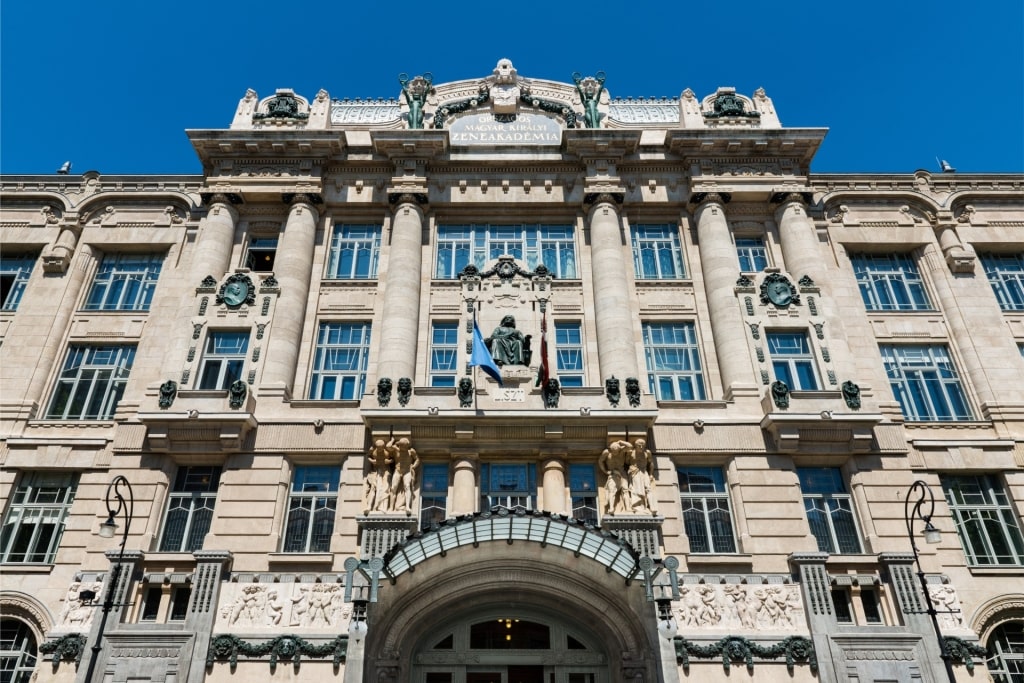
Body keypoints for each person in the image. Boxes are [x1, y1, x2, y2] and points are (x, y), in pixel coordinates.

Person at [599, 440, 631, 515]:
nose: (615, 453)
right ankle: (611, 508)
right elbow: (600, 461)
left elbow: (630, 446)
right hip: (612, 474)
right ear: (611, 449)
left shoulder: (622, 451)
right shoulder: (607, 452)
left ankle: (628, 507)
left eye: (616, 451)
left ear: (619, 449)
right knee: (611, 490)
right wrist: (605, 471)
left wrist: (621, 442)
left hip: (622, 473)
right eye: (613, 451)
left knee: (625, 490)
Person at [389, 437, 420, 515]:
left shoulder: (411, 451)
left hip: (407, 471)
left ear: (407, 446)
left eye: (404, 446)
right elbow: (388, 446)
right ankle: (391, 507)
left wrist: (413, 466)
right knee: (393, 488)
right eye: (401, 446)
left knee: (407, 486)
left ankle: (407, 507)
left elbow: (417, 459)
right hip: (397, 470)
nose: (402, 448)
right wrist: (393, 441)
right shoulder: (396, 450)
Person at [628, 437, 657, 514]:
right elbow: (626, 462)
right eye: (639, 445)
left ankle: (652, 507)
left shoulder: (647, 452)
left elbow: (651, 463)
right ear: (635, 445)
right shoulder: (631, 452)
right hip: (635, 472)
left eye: (642, 445)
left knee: (648, 488)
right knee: (636, 489)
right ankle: (638, 506)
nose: (641, 447)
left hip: (644, 471)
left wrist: (650, 474)